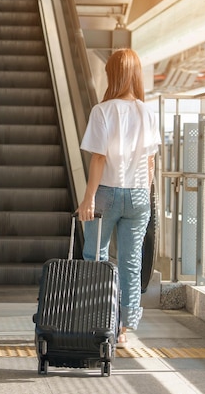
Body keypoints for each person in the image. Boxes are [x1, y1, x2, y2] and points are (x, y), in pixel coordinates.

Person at [76, 48, 161, 348]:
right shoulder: (148, 112)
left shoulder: (103, 111)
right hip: (139, 195)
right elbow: (150, 163)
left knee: (96, 258)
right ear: (136, 75)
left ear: (112, 74)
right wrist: (145, 198)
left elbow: (99, 158)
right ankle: (124, 329)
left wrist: (88, 199)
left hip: (108, 192)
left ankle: (97, 320)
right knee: (130, 262)